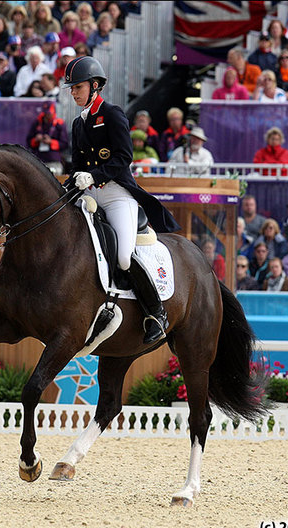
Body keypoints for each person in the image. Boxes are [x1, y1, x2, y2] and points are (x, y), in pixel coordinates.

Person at [63, 55, 180, 343]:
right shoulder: (79, 124)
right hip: (89, 194)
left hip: (116, 195)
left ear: (94, 86)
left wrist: (95, 176)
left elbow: (124, 157)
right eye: (72, 89)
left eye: (77, 87)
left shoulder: (113, 114)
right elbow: (77, 163)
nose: (74, 93)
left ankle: (156, 314)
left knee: (124, 257)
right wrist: (72, 183)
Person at [26, 101, 68, 174]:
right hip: (38, 159)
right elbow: (28, 142)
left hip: (54, 160)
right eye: (45, 113)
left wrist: (51, 142)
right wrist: (36, 140)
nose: (47, 115)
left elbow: (65, 144)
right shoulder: (37, 122)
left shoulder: (59, 123)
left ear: (54, 112)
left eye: (49, 113)